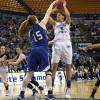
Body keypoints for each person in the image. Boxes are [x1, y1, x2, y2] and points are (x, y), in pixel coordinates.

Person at [17, 1, 57, 100]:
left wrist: (51, 42)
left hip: (33, 51)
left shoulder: (30, 32)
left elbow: (39, 42)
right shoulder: (42, 24)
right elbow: (48, 12)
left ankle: (21, 94)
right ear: (35, 20)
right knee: (48, 73)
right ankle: (50, 94)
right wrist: (53, 4)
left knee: (29, 74)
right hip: (43, 51)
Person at [48, 1, 72, 98]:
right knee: (54, 67)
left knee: (68, 67)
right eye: (57, 15)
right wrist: (54, 9)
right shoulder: (55, 24)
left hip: (66, 44)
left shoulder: (67, 23)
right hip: (57, 44)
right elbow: (47, 16)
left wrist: (64, 6)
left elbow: (68, 15)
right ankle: (51, 89)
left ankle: (68, 88)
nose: (57, 16)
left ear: (62, 17)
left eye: (59, 15)